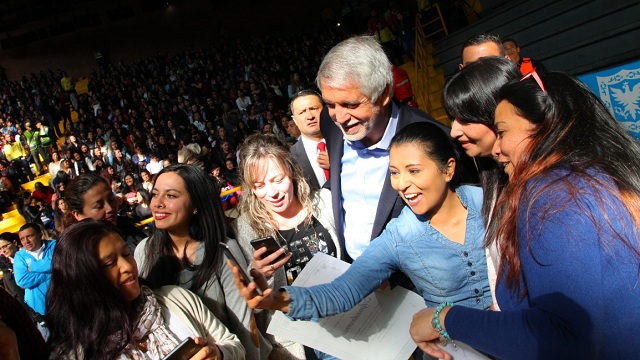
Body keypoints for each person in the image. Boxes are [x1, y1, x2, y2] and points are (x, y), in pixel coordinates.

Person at [409, 72, 640, 359]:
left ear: (543, 126)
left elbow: (561, 335)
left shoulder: (554, 196)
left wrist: (443, 319)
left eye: (503, 132)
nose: (497, 148)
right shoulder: (595, 178)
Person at [231, 122, 490, 340]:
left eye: (413, 171)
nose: (402, 184)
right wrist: (276, 301)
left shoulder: (492, 204)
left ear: (448, 168)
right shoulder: (397, 236)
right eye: (394, 173)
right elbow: (341, 293)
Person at [317, 35, 449, 262]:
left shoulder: (435, 139)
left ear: (385, 93)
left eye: (351, 104)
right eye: (330, 104)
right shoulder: (329, 123)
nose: (339, 117)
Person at [47, 219, 245, 359]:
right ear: (83, 280)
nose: (126, 266)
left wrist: (218, 353)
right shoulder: (78, 353)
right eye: (109, 263)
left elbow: (233, 345)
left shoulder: (175, 298)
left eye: (126, 254)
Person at [135, 164, 270, 359]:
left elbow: (244, 328)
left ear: (196, 206)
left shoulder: (220, 253)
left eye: (171, 196)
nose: (157, 203)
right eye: (155, 194)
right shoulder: (144, 251)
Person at [231, 133, 342, 359]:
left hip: (342, 319)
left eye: (277, 180)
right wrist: (259, 275)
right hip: (298, 339)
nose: (271, 193)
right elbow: (256, 304)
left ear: (291, 171)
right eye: (259, 185)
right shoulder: (246, 228)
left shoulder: (324, 202)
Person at [443, 56, 522, 307]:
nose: (454, 131)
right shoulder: (491, 172)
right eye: (453, 119)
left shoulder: (543, 190)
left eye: (465, 120)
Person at [64, 173, 147, 251]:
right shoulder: (77, 255)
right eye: (99, 206)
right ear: (77, 214)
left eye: (111, 199)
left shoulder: (131, 230)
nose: (110, 208)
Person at [288, 90, 329, 190]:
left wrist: (338, 165)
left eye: (314, 108)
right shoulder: (290, 158)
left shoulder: (346, 141)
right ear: (294, 120)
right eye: (302, 112)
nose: (310, 116)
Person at [14, 223, 56, 316]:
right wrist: (52, 272)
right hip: (40, 309)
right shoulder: (19, 256)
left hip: (64, 301)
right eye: (22, 239)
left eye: (29, 236)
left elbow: (62, 263)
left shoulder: (55, 245)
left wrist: (33, 267)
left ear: (40, 235)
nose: (26, 241)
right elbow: (22, 280)